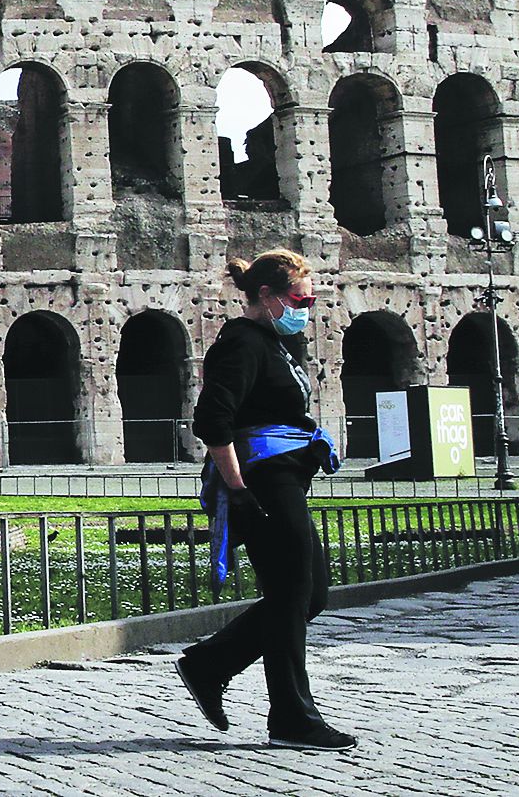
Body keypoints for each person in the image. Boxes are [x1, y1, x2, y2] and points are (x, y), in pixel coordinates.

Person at [174, 251, 355, 752]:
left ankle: (210, 665)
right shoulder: (241, 343)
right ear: (268, 297)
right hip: (260, 483)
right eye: (300, 298)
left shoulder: (278, 340)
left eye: (311, 298)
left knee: (308, 594)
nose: (307, 306)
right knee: (294, 594)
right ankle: (292, 717)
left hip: (283, 479)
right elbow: (213, 421)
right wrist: (236, 487)